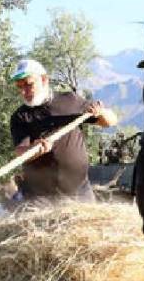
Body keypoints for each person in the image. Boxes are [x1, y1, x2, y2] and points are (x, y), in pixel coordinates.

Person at [9, 58, 117, 205]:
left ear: (44, 79)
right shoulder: (20, 117)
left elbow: (110, 121)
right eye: (20, 87)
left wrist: (101, 113)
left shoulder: (70, 100)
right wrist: (34, 149)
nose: (24, 91)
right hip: (40, 198)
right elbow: (21, 153)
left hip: (80, 192)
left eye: (29, 84)